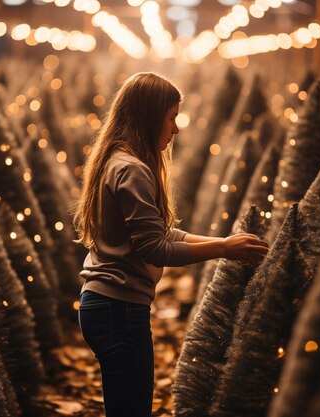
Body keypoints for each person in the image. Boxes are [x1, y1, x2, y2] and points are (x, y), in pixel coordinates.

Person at [72, 72, 269, 417]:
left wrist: (225, 242)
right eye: (171, 117)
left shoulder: (117, 161)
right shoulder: (132, 169)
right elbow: (156, 249)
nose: (176, 128)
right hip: (118, 310)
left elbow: (161, 233)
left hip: (107, 306)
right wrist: (224, 250)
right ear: (149, 117)